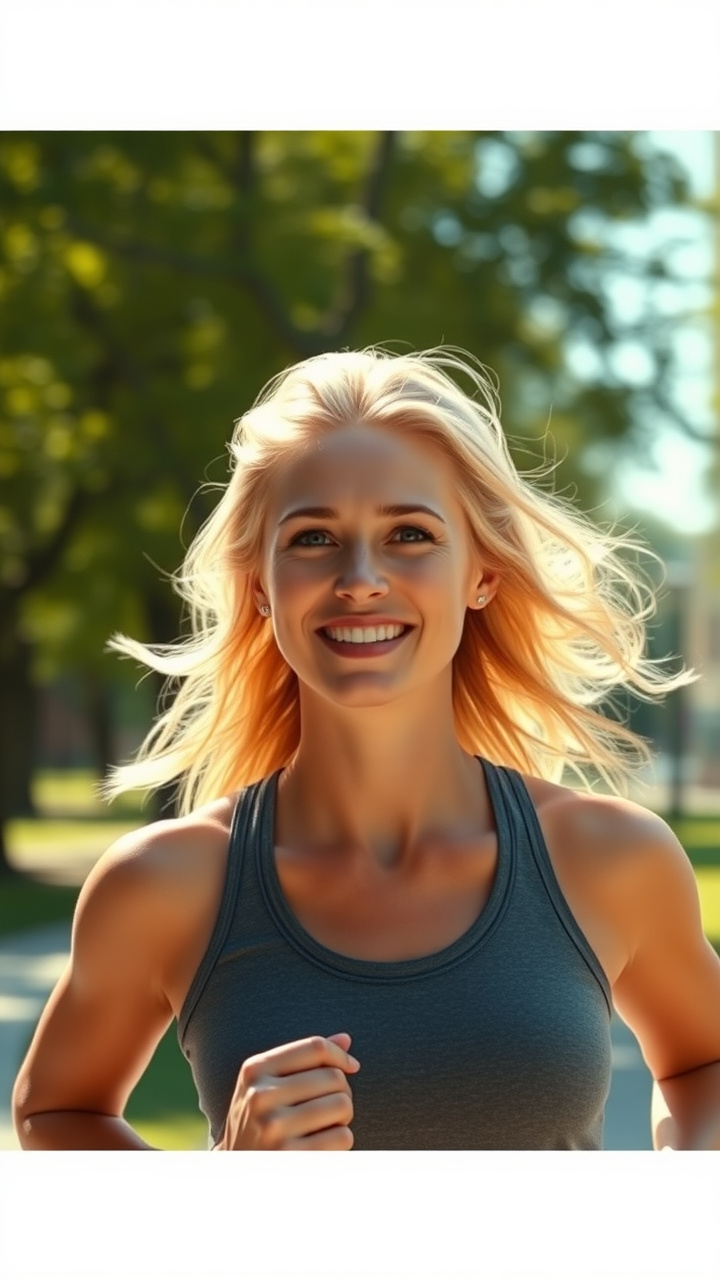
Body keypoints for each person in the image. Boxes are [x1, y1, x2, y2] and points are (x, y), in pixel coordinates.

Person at [13, 346, 720, 1150]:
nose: (359, 579)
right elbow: (54, 1112)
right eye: (313, 538)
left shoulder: (610, 858)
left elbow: (705, 1064)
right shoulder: (165, 883)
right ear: (259, 583)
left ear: (482, 574)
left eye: (409, 534)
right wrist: (220, 1193)